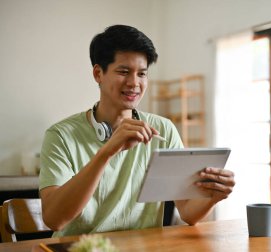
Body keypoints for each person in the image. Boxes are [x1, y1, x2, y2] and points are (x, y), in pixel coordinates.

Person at [39, 24, 235, 237]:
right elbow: (54, 220)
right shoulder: (60, 135)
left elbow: (187, 211)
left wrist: (213, 196)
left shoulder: (163, 130)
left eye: (142, 74)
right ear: (98, 73)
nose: (134, 83)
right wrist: (106, 152)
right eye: (124, 72)